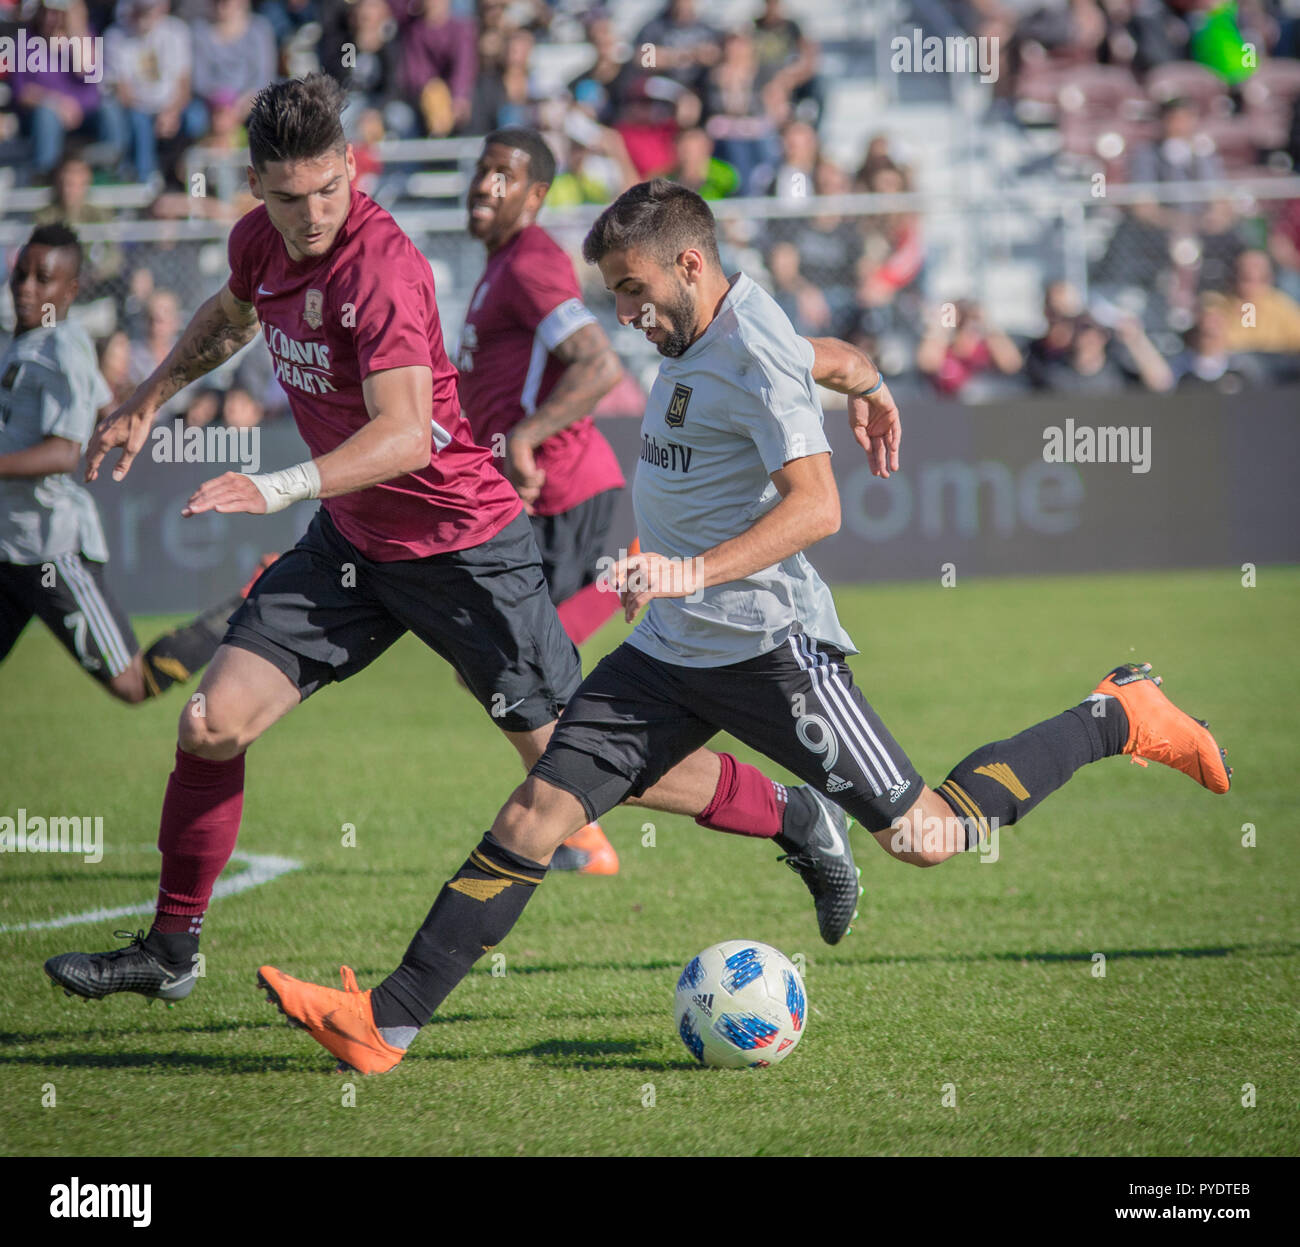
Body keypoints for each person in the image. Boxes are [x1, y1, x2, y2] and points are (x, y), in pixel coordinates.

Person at [252, 180, 1232, 1075]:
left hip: (772, 651)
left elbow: (815, 508)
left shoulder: (749, 350)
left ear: (690, 263)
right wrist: (873, 385)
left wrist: (687, 568)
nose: (625, 315)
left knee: (926, 836)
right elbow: (833, 357)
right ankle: (384, 1023)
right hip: (667, 652)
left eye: (633, 291)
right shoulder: (711, 330)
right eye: (613, 296)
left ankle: (1116, 712)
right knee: (535, 814)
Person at [43, 79, 862, 1008]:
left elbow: (402, 435)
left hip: (464, 547)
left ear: (351, 166)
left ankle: (796, 812)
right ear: (257, 189)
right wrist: (150, 395)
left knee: (585, 766)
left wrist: (270, 486)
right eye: (286, 197)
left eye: (325, 190)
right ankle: (171, 947)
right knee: (209, 722)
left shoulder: (382, 266)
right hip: (352, 542)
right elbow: (232, 314)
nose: (310, 216)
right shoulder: (258, 243)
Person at [0, 224, 257, 703]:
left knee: (134, 684)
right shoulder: (24, 344)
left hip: (50, 548)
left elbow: (63, 452)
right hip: (7, 547)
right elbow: (100, 412)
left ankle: (247, 603)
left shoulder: (62, 345)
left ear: (71, 290)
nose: (27, 288)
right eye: (21, 275)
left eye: (44, 278)